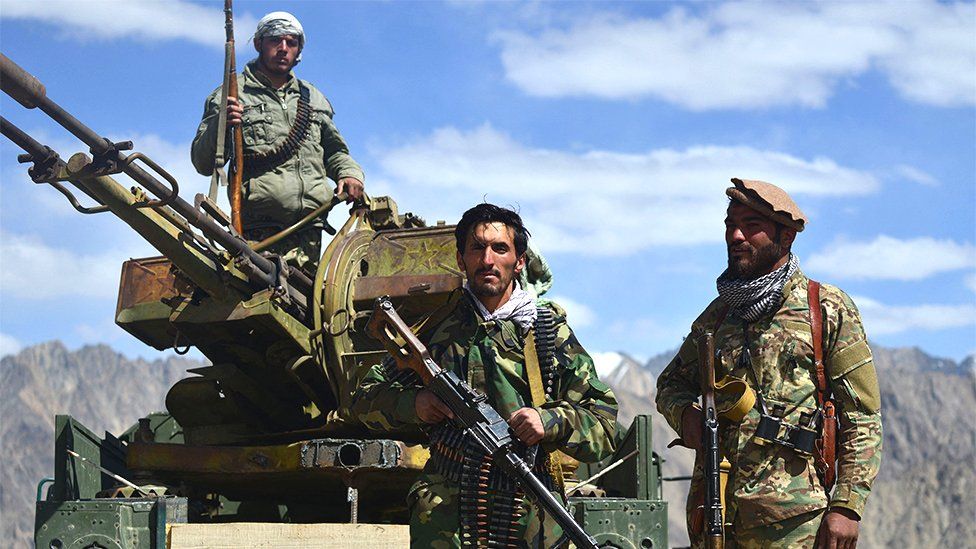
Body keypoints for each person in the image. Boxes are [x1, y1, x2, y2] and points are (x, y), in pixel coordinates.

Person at [353, 203, 618, 547]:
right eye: (477, 248)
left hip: (528, 513)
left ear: (519, 261)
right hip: (446, 517)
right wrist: (415, 403)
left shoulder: (547, 334)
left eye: (500, 248)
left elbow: (605, 424)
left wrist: (549, 421)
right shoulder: (433, 332)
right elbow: (364, 399)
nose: (488, 259)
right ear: (462, 260)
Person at [656, 178, 883, 548]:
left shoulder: (825, 309)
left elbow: (861, 415)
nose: (736, 235)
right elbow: (670, 385)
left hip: (794, 523)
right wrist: (686, 416)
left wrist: (847, 506)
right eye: (730, 224)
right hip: (717, 517)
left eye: (752, 225)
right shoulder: (715, 319)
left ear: (786, 237)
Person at [191, 11, 364, 273]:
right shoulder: (231, 94)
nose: (283, 49)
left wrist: (350, 174)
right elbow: (202, 163)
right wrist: (221, 124)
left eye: (291, 43)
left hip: (311, 231)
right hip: (258, 235)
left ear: (298, 50)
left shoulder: (312, 98)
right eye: (275, 41)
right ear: (260, 44)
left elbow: (335, 152)